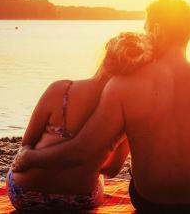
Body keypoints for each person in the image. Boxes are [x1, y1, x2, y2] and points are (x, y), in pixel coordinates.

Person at [12, 0, 190, 214]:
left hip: (150, 204)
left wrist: (30, 157)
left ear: (156, 29)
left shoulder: (123, 85)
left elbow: (82, 150)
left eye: (146, 28)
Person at [8, 32, 153, 212]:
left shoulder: (61, 89)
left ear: (106, 54)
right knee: (96, 177)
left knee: (22, 159)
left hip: (26, 194)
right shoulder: (127, 110)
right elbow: (111, 170)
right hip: (78, 199)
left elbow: (27, 143)